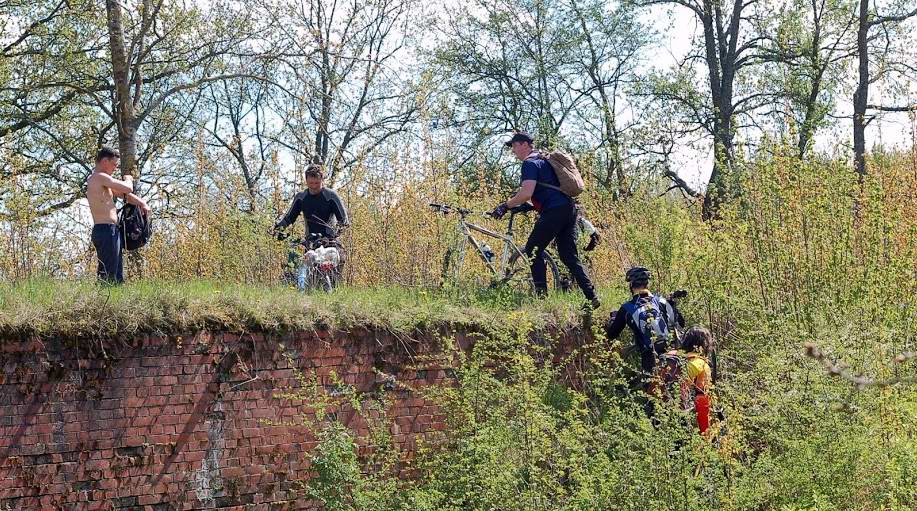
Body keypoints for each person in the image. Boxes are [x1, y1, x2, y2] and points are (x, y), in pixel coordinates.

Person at [490, 132, 599, 309]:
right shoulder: (544, 159)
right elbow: (549, 191)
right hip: (569, 209)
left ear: (524, 145)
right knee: (568, 255)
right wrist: (528, 206)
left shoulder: (529, 163)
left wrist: (505, 206)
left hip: (554, 211)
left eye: (514, 146)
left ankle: (541, 298)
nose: (513, 151)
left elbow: (526, 193)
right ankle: (591, 295)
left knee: (533, 249)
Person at [605, 266, 685, 392]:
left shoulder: (626, 308)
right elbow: (681, 323)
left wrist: (615, 318)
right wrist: (671, 304)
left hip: (649, 357)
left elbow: (611, 334)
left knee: (652, 396)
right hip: (671, 353)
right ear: (647, 284)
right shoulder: (661, 301)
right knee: (675, 391)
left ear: (631, 285)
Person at [274, 165, 349, 283]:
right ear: (306, 181)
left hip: (330, 241)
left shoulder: (331, 196)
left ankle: (334, 288)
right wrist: (277, 229)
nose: (314, 186)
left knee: (339, 259)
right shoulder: (301, 197)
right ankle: (294, 286)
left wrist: (334, 236)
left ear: (322, 181)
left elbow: (344, 221)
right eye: (311, 183)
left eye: (317, 183)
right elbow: (289, 218)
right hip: (310, 241)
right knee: (293, 260)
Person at [85, 146, 151, 284]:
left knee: (117, 273)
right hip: (105, 230)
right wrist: (128, 178)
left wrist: (142, 203)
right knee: (108, 274)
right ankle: (102, 302)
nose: (115, 168)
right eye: (114, 164)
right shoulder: (98, 177)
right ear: (104, 161)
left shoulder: (104, 182)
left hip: (111, 230)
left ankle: (115, 300)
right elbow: (128, 187)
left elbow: (125, 194)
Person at [676, 326, 717, 435]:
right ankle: (706, 443)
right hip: (692, 406)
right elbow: (701, 392)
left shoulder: (677, 357)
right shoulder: (699, 363)